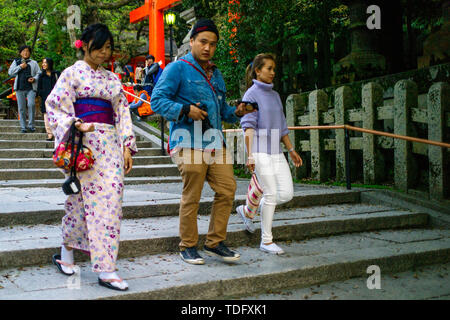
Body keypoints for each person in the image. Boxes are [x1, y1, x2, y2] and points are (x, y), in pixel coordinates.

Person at [151, 19, 254, 265]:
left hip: (214, 142)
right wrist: (186, 110)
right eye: (203, 42)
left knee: (228, 188)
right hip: (188, 141)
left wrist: (237, 111)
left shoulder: (216, 74)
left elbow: (221, 111)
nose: (208, 48)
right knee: (193, 194)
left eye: (213, 44)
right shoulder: (177, 69)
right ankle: (187, 245)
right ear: (192, 42)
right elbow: (157, 101)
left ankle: (215, 241)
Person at [46, 23, 137, 291]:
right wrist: (74, 123)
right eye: (101, 47)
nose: (106, 53)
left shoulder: (112, 79)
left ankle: (107, 268)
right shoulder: (71, 74)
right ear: (85, 45)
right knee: (77, 202)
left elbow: (122, 112)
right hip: (82, 145)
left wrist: (127, 145)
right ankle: (67, 252)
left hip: (109, 146)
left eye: (109, 48)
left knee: (111, 201)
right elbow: (54, 106)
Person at [236, 53, 303, 255]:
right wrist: (249, 155)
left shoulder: (274, 96)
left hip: (276, 151)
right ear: (258, 71)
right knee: (272, 193)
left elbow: (282, 126)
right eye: (269, 69)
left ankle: (247, 209)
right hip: (259, 150)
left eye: (274, 69)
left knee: (286, 193)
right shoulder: (250, 95)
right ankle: (266, 241)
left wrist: (291, 150)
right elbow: (247, 126)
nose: (273, 72)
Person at [8, 45, 41, 133]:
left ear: (29, 53)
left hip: (31, 88)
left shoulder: (34, 62)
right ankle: (23, 127)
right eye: (23, 51)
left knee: (31, 105)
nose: (25, 52)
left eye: (27, 51)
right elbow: (10, 72)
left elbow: (39, 73)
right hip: (19, 88)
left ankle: (31, 126)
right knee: (21, 108)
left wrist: (34, 78)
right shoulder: (16, 61)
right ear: (20, 53)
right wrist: (20, 67)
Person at [37, 57, 60, 141]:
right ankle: (50, 134)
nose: (43, 64)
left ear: (49, 64)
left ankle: (57, 133)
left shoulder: (56, 74)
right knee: (46, 116)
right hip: (45, 99)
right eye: (42, 63)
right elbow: (38, 89)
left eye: (45, 62)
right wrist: (43, 94)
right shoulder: (41, 76)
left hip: (56, 98)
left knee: (57, 115)